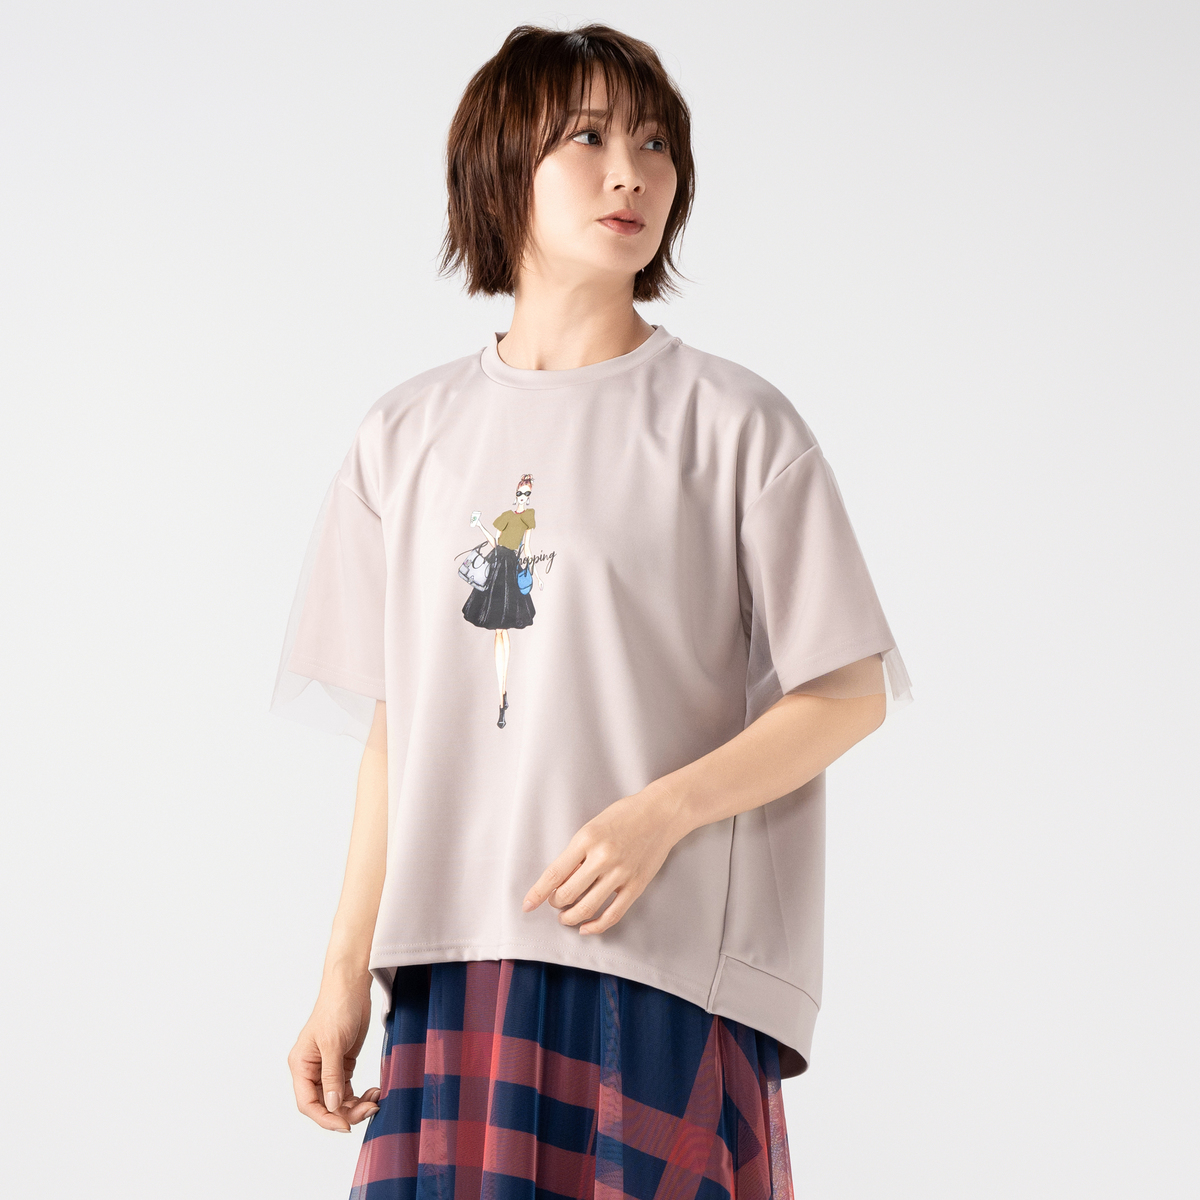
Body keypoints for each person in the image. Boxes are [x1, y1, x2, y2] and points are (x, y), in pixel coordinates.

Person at [269, 23, 911, 1200]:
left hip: (658, 968)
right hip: (452, 962)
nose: (633, 173)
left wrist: (661, 815)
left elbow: (847, 691)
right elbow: (398, 731)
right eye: (589, 137)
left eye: (656, 144)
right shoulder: (404, 437)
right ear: (502, 165)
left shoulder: (734, 425)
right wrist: (344, 970)